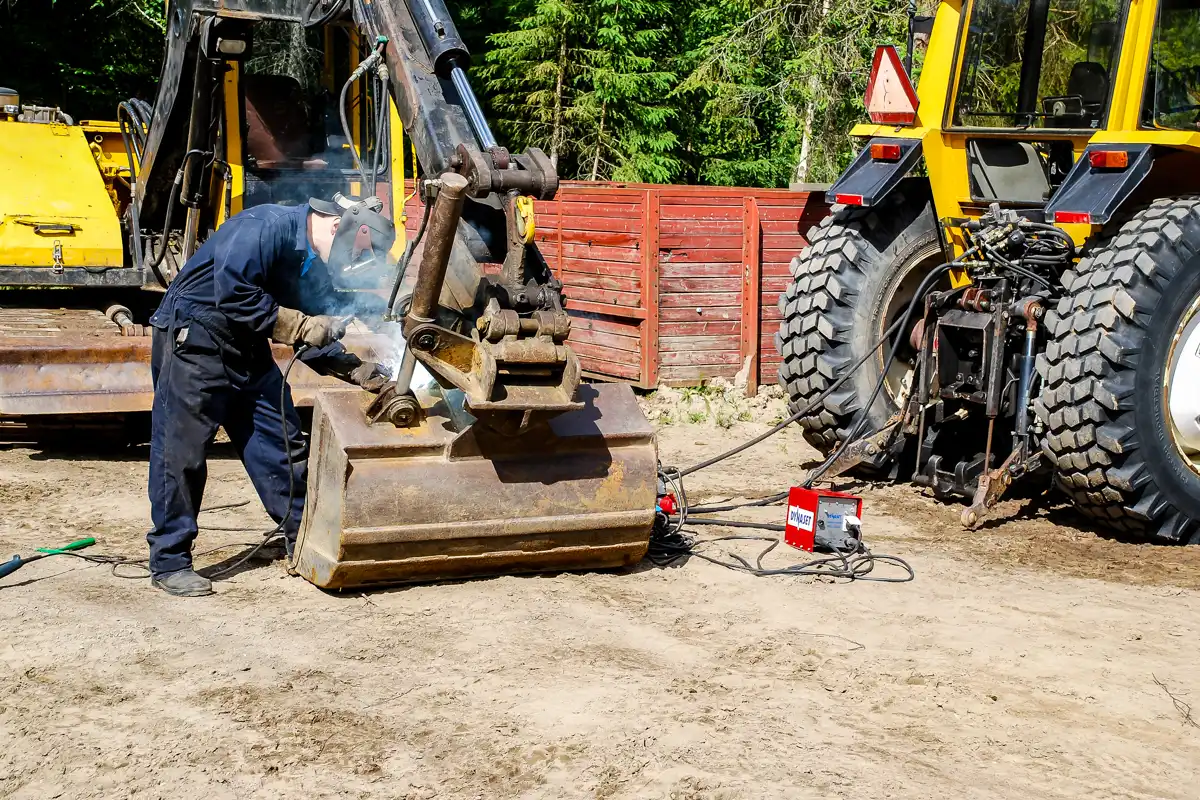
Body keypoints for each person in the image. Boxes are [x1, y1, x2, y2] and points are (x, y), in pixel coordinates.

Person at [146, 194, 396, 597]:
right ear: (337, 227)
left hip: (245, 348)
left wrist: (360, 372)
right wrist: (299, 327)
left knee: (281, 442)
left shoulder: (309, 263)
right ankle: (170, 561)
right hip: (193, 339)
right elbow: (234, 294)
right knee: (181, 452)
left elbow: (312, 335)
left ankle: (302, 538)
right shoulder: (264, 226)